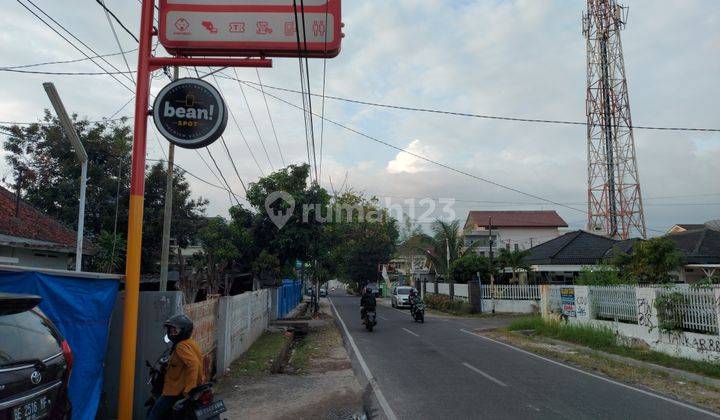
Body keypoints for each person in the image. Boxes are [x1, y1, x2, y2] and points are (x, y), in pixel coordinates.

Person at [147, 314, 205, 420]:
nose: (171, 333)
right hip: (197, 384)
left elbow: (193, 364)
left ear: (183, 331)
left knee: (154, 414)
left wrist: (189, 389)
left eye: (175, 331)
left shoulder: (180, 347)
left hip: (175, 390)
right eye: (170, 330)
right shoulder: (191, 343)